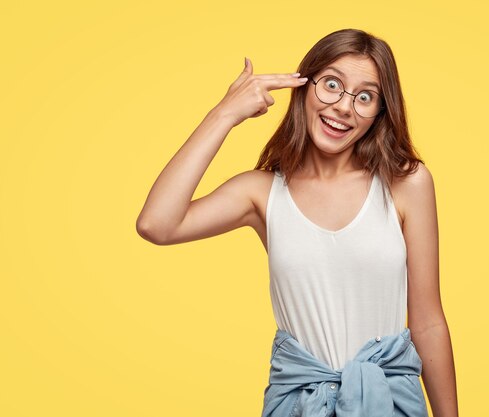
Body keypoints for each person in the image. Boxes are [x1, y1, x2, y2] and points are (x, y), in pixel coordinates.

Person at [136, 28, 458, 417]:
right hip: (299, 406)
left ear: (380, 112)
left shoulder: (407, 183)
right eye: (332, 85)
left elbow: (427, 322)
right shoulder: (260, 193)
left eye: (365, 97)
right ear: (303, 87)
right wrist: (225, 113)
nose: (343, 106)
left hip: (389, 403)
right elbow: (157, 224)